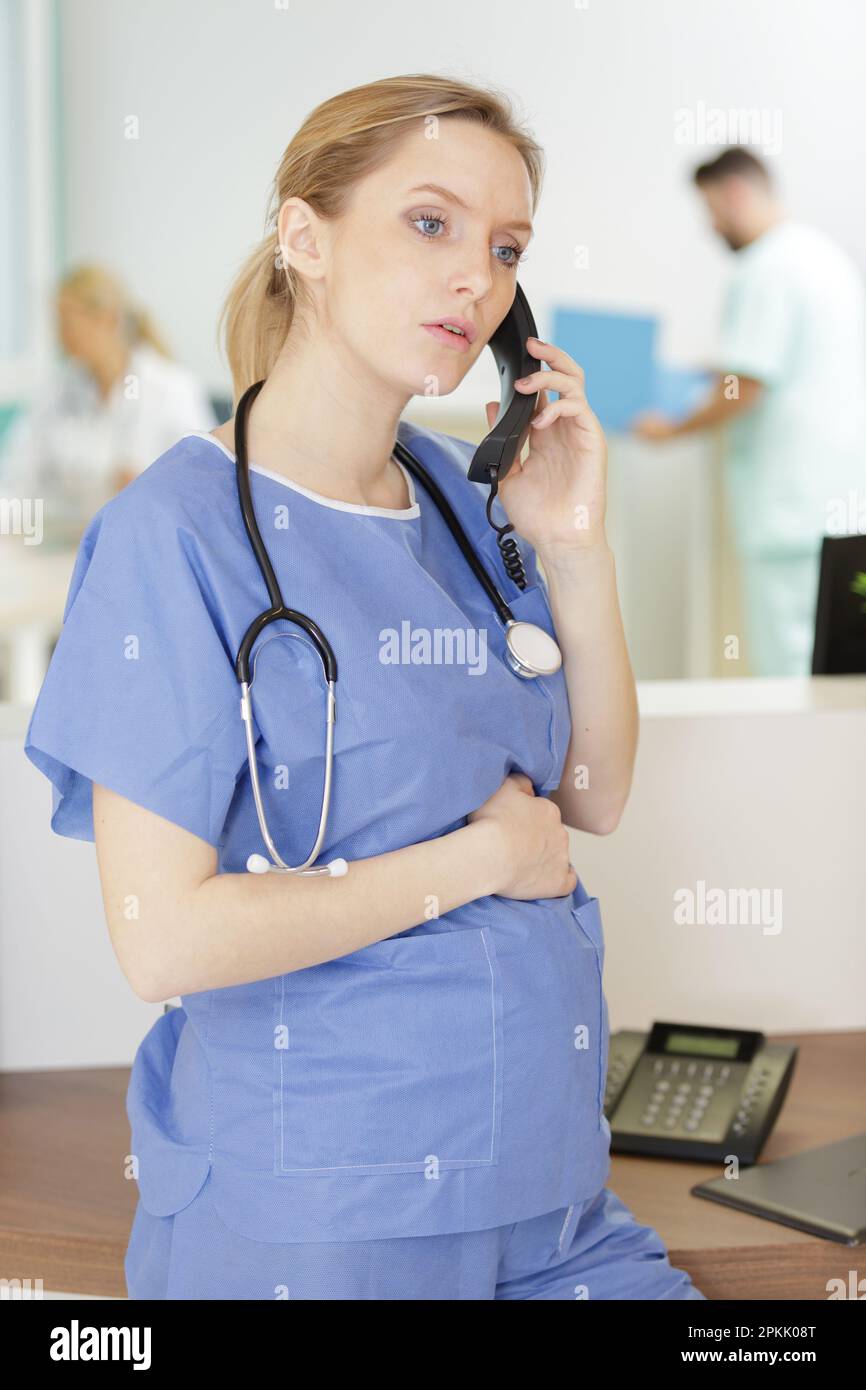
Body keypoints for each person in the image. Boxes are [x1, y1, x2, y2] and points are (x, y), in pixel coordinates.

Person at [23, 74, 706, 1301]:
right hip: (329, 1218)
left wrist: (575, 546)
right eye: (430, 223)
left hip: (552, 1200)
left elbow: (591, 794)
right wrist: (479, 863)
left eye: (505, 249)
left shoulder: (465, 498)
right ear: (304, 240)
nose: (476, 280)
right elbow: (164, 938)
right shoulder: (172, 533)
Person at [633, 147, 866, 676]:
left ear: (734, 192)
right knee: (839, 664)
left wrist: (670, 430)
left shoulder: (766, 266)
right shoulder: (822, 257)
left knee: (793, 670)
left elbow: (744, 386)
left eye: (710, 210)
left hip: (790, 510)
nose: (711, 225)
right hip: (839, 500)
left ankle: (801, 763)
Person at [0, 264, 216, 533]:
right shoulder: (57, 391)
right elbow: (19, 478)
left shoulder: (172, 389)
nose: (60, 337)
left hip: (148, 544)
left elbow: (203, 493)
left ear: (108, 319)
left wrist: (148, 489)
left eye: (67, 324)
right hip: (69, 545)